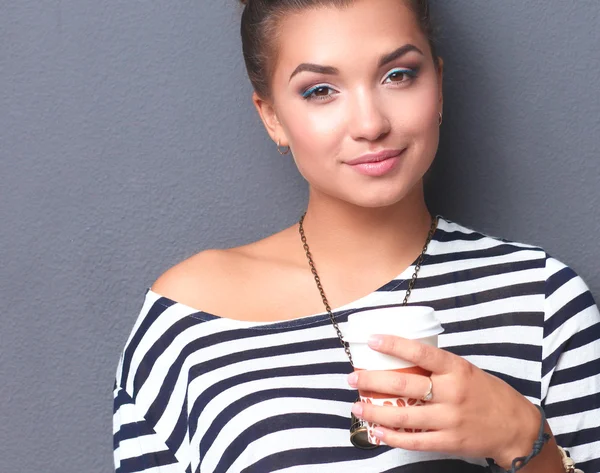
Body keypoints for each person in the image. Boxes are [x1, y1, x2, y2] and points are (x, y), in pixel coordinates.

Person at [112, 0, 600, 472]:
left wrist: (524, 441)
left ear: (440, 85)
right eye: (320, 90)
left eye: (398, 76)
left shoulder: (542, 300)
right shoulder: (189, 321)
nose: (371, 124)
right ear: (272, 116)